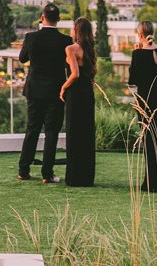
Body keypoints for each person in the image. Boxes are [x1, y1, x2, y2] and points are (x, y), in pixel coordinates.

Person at [17, 2, 70, 183]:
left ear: (42, 17)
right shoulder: (65, 41)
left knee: (32, 129)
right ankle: (47, 174)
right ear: (59, 20)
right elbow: (68, 65)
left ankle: (23, 170)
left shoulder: (31, 37)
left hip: (34, 90)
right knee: (51, 132)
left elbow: (22, 58)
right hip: (56, 91)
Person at [128, 19, 157, 192]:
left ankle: (151, 182)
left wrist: (136, 53)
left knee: (147, 139)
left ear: (140, 34)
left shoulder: (137, 54)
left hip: (144, 99)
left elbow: (133, 81)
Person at [60, 16, 97, 187]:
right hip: (88, 93)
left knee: (74, 134)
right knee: (86, 135)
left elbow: (75, 74)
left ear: (76, 30)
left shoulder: (70, 49)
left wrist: (63, 87)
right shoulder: (90, 50)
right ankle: (86, 177)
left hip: (75, 94)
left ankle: (74, 178)